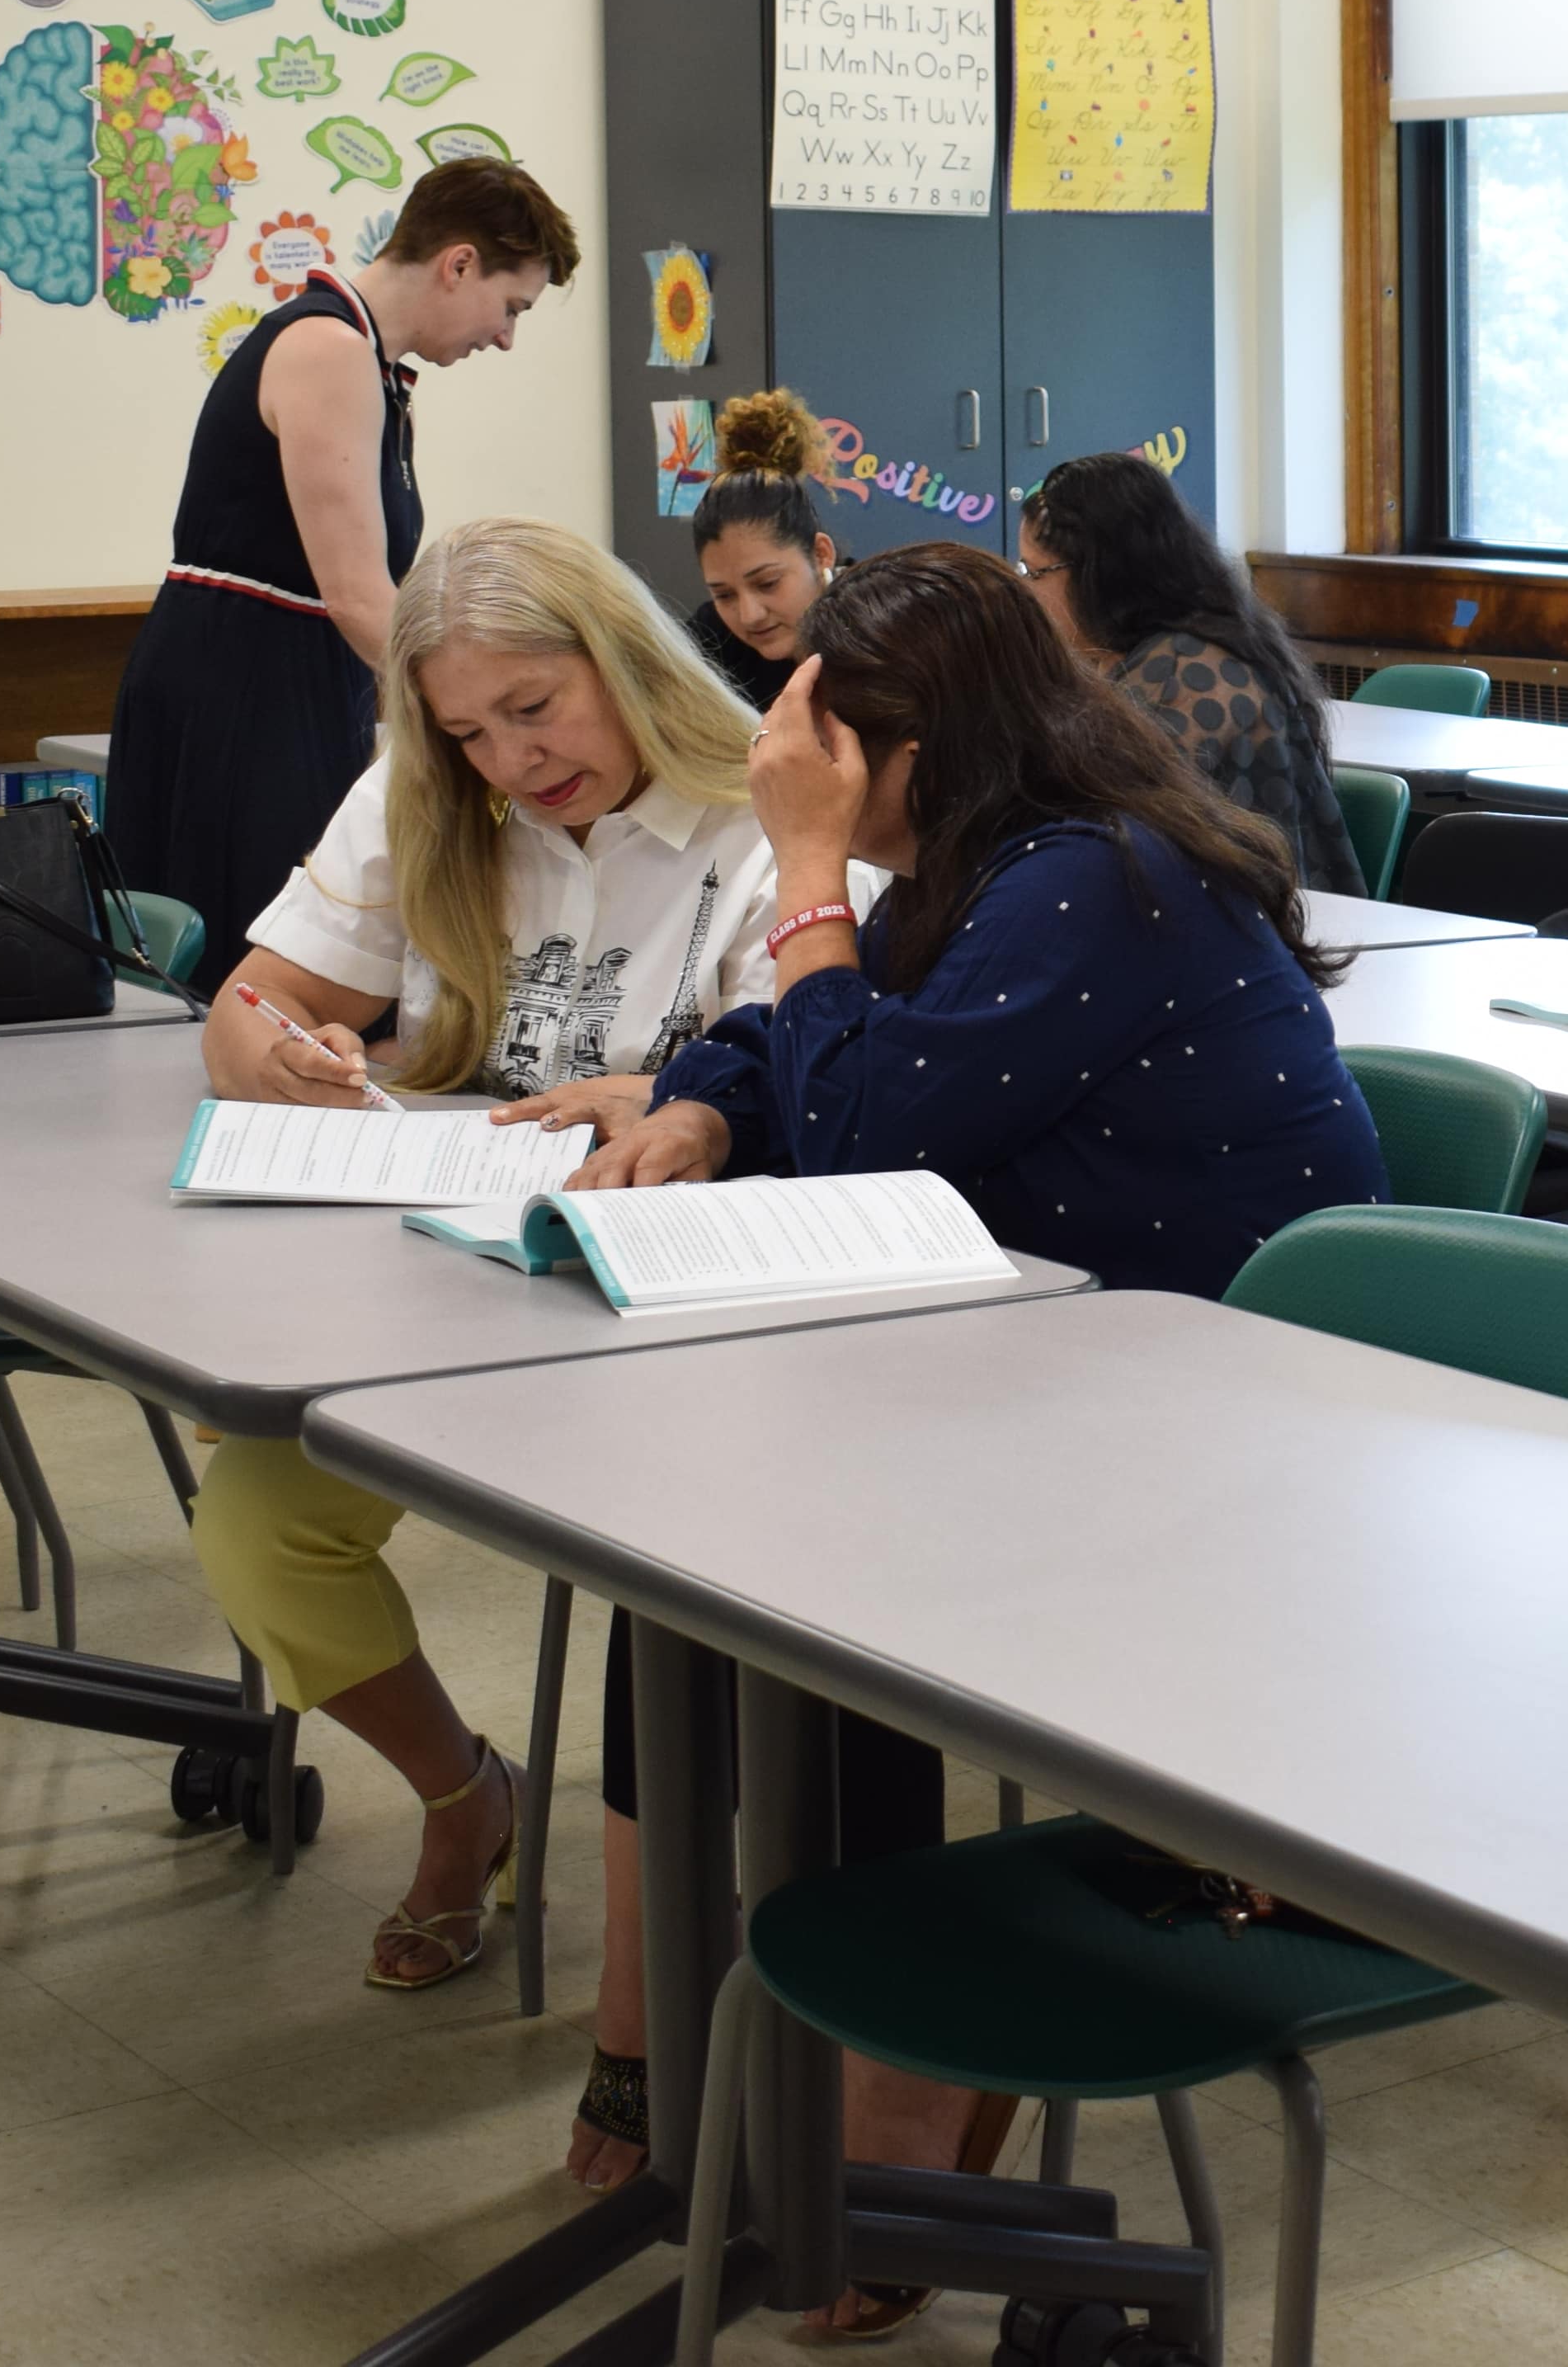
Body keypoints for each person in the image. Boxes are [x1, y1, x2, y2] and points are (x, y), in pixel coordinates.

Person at [567, 542, 1385, 2313]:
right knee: (711, 1570)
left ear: (917, 743)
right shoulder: (984, 862)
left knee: (816, 1579)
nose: (801, 771)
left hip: (1225, 1443)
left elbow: (866, 1117)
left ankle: (896, 2107)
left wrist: (798, 874)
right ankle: (788, 2081)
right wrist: (704, 1109)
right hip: (1056, 1380)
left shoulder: (1096, 880)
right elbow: (802, 1047)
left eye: (827, 743)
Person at [183, 516, 798, 2013]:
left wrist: (681, 1106)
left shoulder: (765, 813)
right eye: (467, 731)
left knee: (679, 1583)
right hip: (451, 1277)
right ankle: (466, 1795)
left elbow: (818, 1072)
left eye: (535, 708)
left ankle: (692, 1989)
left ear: (625, 660)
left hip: (691, 1321)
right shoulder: (424, 797)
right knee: (261, 1517)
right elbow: (250, 1000)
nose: (509, 761)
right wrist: (271, 1045)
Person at [104, 160, 578, 987]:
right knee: (259, 960)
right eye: (511, 308)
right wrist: (473, 719)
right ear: (458, 263)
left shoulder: (382, 376)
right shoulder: (326, 348)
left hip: (292, 681)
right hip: (242, 688)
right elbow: (359, 595)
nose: (505, 337)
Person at [1015, 449, 1366, 901]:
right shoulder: (1127, 653)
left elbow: (1110, 827)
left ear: (1099, 573)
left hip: (1242, 925)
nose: (1024, 590)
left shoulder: (1191, 671)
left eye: (1034, 572)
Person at [680, 385, 841, 715]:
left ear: (821, 554)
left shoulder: (880, 630)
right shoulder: (713, 638)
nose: (749, 615)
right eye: (724, 595)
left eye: (767, 583)